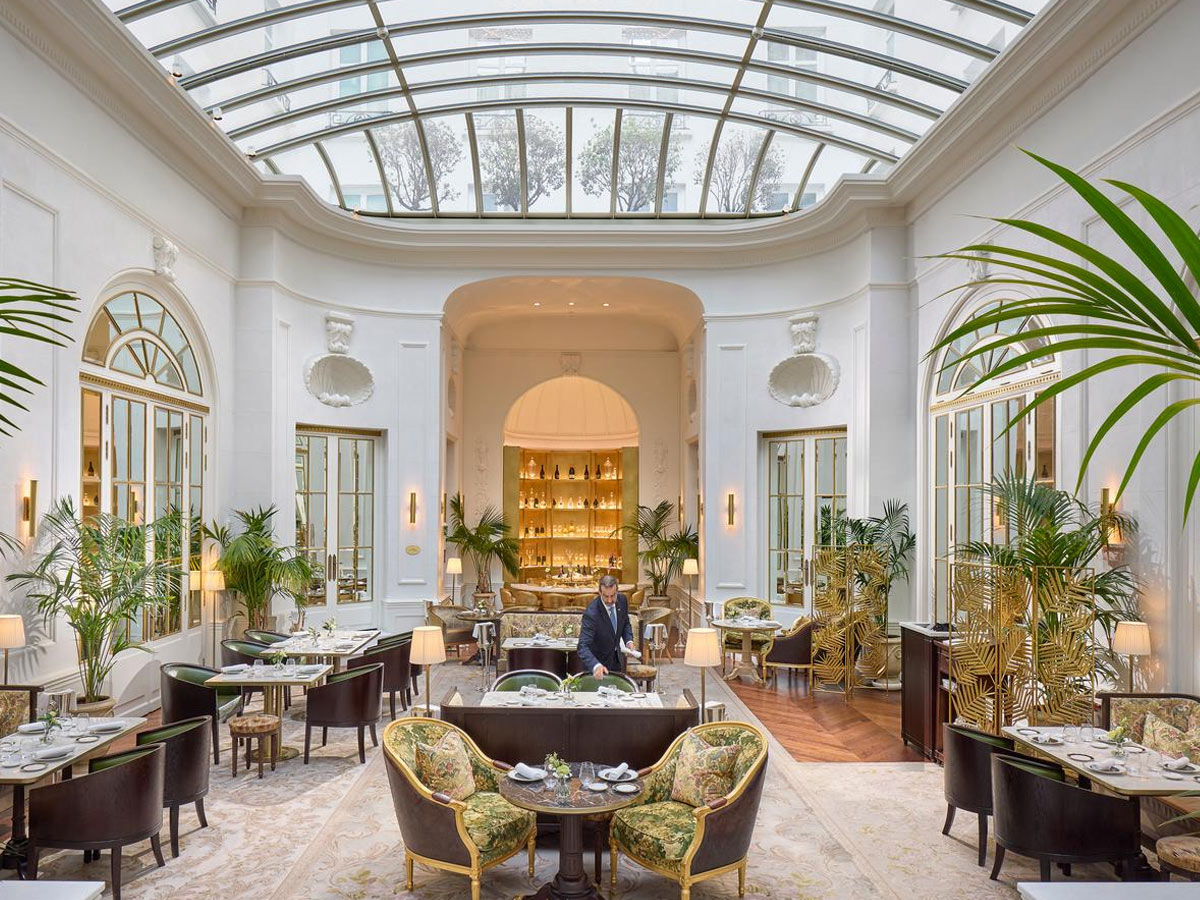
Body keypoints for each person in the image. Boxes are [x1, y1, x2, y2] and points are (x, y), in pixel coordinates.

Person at [577, 575, 636, 678]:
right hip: (598, 666)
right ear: (600, 593)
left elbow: (625, 622)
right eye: (605, 596)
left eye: (613, 596)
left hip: (617, 661)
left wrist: (629, 640)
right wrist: (595, 665)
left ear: (617, 591)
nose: (609, 600)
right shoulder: (592, 613)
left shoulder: (622, 601)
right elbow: (582, 646)